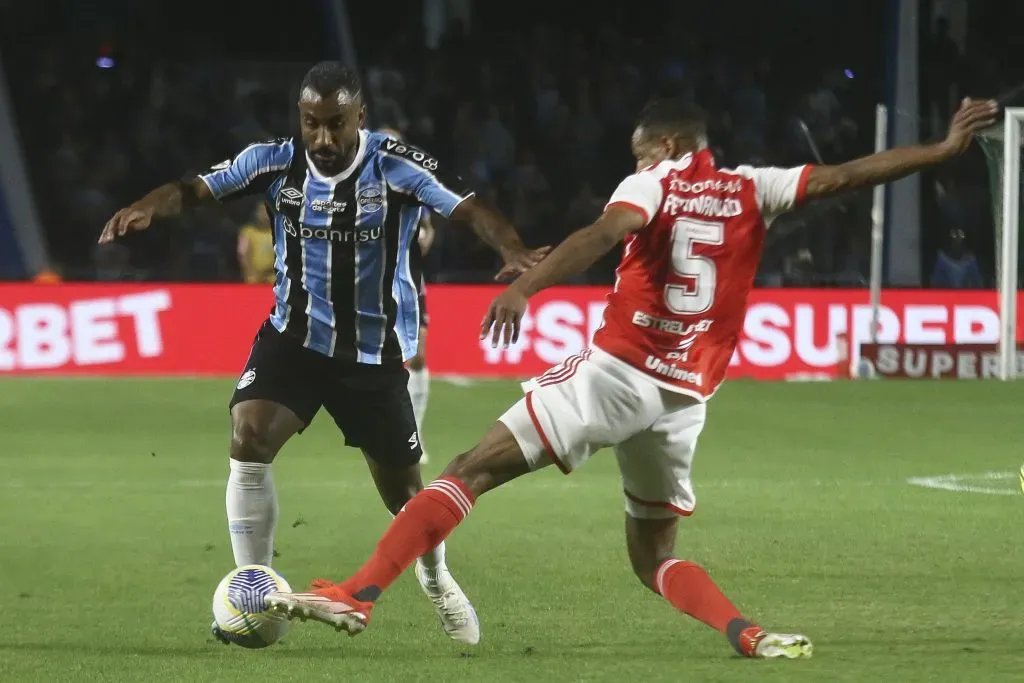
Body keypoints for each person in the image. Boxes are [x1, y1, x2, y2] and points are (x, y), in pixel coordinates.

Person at [265, 97, 998, 658]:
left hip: (618, 373)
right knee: (654, 557)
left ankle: (359, 592)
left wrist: (529, 286)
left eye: (642, 151)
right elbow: (847, 176)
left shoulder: (657, 181)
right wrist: (941, 148)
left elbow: (603, 232)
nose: (639, 160)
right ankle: (748, 634)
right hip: (685, 401)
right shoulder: (755, 187)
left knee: (466, 469)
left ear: (670, 146)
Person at [98, 61, 548, 646]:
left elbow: (469, 208)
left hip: (373, 355)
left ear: (361, 116)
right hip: (294, 338)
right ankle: (250, 585)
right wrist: (149, 205)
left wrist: (511, 247)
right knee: (249, 436)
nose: (324, 139)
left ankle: (437, 578)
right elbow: (193, 189)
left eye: (336, 124)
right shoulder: (272, 160)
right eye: (312, 124)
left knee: (406, 499)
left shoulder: (394, 164)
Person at [379, 126, 434, 463]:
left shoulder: (413, 187)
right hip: (370, 283)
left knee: (418, 356)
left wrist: (422, 240)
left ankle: (415, 434)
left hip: (409, 282)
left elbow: (427, 231)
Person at [237, 202, 276, 284]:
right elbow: (242, 253)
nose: (264, 214)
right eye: (261, 211)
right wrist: (250, 272)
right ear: (256, 214)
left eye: (266, 211)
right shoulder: (248, 232)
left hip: (274, 277)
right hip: (254, 278)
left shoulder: (277, 232)